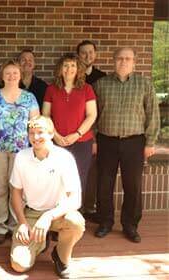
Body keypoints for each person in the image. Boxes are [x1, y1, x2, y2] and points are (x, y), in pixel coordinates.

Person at [93, 47, 160, 243]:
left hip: (134, 142)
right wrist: (93, 139)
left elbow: (153, 115)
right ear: (114, 61)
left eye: (128, 59)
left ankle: (130, 225)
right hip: (106, 141)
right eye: (120, 58)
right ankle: (105, 222)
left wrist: (150, 142)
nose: (123, 62)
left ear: (134, 62)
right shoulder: (101, 85)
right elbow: (93, 115)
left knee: (133, 186)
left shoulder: (145, 85)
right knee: (104, 183)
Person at [10, 116, 85, 279]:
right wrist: (22, 222)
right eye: (31, 133)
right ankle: (40, 242)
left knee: (76, 222)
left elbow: (75, 199)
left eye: (40, 132)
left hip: (57, 212)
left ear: (51, 134)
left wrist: (49, 216)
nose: (35, 137)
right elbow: (15, 192)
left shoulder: (64, 158)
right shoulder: (21, 157)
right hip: (31, 213)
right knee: (19, 265)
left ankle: (61, 256)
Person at [0, 60, 39, 244]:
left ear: (20, 75)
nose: (11, 76)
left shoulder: (29, 98)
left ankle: (16, 225)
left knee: (18, 189)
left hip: (22, 152)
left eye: (15, 73)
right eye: (8, 73)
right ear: (2, 76)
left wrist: (35, 150)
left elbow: (36, 124)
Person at [43, 53, 97, 213]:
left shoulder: (87, 89)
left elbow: (92, 115)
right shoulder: (51, 89)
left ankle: (74, 218)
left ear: (78, 69)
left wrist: (77, 134)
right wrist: (55, 136)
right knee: (56, 181)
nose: (69, 69)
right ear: (60, 69)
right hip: (56, 142)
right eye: (66, 65)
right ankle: (55, 218)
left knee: (78, 180)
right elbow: (45, 115)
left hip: (81, 143)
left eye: (73, 65)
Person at [76, 40, 106, 222]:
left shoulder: (102, 78)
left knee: (93, 173)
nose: (87, 56)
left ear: (95, 55)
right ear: (78, 55)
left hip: (93, 133)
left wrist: (94, 137)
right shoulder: (72, 77)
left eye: (90, 52)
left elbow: (100, 110)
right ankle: (75, 208)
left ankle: (90, 207)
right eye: (83, 53)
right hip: (74, 134)